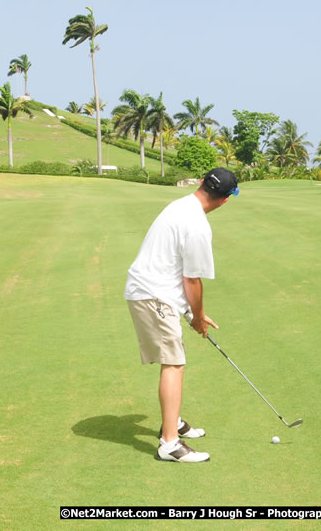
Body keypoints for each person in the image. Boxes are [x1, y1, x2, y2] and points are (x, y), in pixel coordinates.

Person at [124, 167, 239, 463]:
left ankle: (172, 421)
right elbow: (191, 279)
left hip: (150, 290)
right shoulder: (198, 226)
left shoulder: (180, 205)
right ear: (225, 200)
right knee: (174, 363)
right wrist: (198, 317)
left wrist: (189, 312)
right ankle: (169, 444)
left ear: (201, 183)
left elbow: (173, 265)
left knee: (174, 358)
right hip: (153, 294)